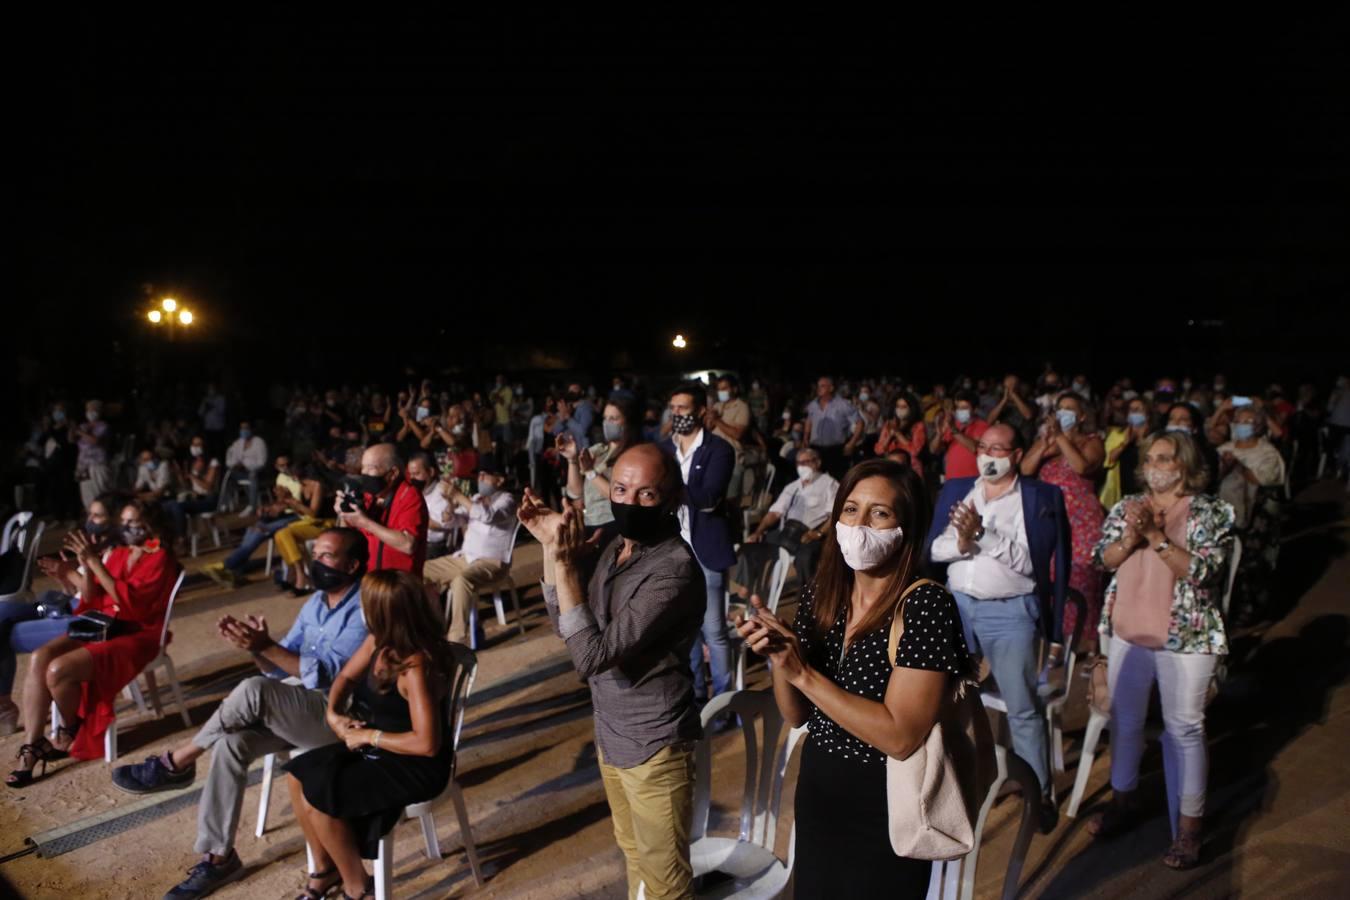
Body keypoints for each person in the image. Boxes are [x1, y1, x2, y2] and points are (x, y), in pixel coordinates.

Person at [736, 459, 971, 896]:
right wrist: (777, 654)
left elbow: (901, 735)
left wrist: (802, 672)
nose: (859, 524)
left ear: (906, 527)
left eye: (879, 513)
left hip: (887, 802)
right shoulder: (821, 595)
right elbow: (796, 715)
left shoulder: (924, 606)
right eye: (850, 510)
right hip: (820, 788)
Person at [113, 528, 370, 900]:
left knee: (252, 690)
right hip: (301, 710)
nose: (317, 562)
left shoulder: (364, 607)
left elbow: (326, 673)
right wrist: (256, 647)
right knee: (231, 743)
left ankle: (177, 760)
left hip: (339, 717)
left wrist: (267, 647)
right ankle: (218, 858)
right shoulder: (315, 602)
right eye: (315, 554)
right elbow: (281, 668)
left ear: (353, 564)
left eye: (327, 556)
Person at [519, 444, 705, 900]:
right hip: (612, 732)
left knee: (666, 880)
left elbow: (590, 657)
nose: (628, 501)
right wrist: (550, 548)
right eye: (621, 488)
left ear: (673, 497)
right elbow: (566, 622)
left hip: (654, 744)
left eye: (646, 494)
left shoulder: (673, 571)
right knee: (632, 852)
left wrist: (565, 565)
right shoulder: (613, 547)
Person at [1090, 431, 1235, 869]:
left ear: (1186, 465)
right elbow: (1103, 558)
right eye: (1150, 458)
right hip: (1128, 631)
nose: (1155, 465)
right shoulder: (1127, 506)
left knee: (1184, 728)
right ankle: (1124, 801)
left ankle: (1189, 829)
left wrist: (1155, 535)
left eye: (1166, 458)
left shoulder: (1209, 510)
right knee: (1126, 721)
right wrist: (1130, 539)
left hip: (1186, 635)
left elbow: (1205, 571)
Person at [284, 570, 458, 900]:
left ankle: (357, 888)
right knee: (297, 776)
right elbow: (344, 679)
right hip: (379, 749)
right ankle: (325, 870)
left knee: (322, 796)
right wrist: (334, 715)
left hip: (414, 765)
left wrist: (369, 737)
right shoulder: (378, 642)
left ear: (382, 611)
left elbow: (427, 743)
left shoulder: (415, 665)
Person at [926, 424, 1070, 813]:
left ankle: (1038, 795)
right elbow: (934, 550)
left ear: (1018, 454)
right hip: (958, 609)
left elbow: (1031, 564)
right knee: (947, 701)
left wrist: (983, 535)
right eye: (984, 447)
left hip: (1010, 615)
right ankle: (957, 786)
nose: (989, 455)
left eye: (999, 448)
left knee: (1022, 706)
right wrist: (960, 542)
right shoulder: (958, 490)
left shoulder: (1038, 498)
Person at [6, 499, 181, 783]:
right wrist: (70, 574)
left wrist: (95, 563)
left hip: (137, 634)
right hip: (105, 625)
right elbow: (92, 599)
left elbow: (131, 607)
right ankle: (33, 743)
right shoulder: (121, 552)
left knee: (58, 670)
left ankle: (70, 728)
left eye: (133, 522)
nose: (126, 528)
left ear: (150, 525)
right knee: (40, 657)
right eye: (123, 522)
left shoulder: (159, 557)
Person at [0, 494, 122, 734]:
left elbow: (94, 600)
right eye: (90, 515)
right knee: (2, 615)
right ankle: (4, 706)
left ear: (114, 520)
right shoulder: (95, 546)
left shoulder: (112, 552)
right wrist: (65, 578)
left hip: (86, 621)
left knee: (2, 632)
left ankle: (4, 707)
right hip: (67, 608)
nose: (91, 521)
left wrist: (72, 570)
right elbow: (78, 594)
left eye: (98, 516)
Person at [661, 383, 737, 705]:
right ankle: (694, 698)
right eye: (673, 407)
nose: (676, 414)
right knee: (684, 632)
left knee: (714, 632)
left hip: (705, 551)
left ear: (701, 411)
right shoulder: (664, 450)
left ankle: (724, 703)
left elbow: (708, 499)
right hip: (672, 552)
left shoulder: (718, 450)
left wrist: (672, 483)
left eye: (683, 408)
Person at [1019, 391, 1106, 644]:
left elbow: (1082, 466)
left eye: (1069, 408)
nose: (1063, 413)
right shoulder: (1048, 441)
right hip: (1050, 520)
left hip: (1081, 522)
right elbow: (1025, 469)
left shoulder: (1092, 441)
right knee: (1052, 581)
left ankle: (1088, 645)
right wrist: (1046, 443)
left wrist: (1061, 437)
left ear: (1080, 416)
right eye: (1060, 408)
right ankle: (1057, 641)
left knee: (1082, 582)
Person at [422, 460, 517, 644]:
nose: (480, 479)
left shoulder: (507, 500)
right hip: (465, 558)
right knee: (421, 570)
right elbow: (451, 522)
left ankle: (456, 639)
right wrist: (450, 505)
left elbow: (487, 516)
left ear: (499, 480)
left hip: (492, 562)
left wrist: (458, 495)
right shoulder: (474, 499)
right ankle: (435, 628)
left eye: (485, 475)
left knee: (462, 580)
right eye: (479, 475)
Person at [736, 447, 837, 600]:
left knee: (806, 556)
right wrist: (758, 531)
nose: (801, 466)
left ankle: (808, 599)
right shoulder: (792, 486)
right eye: (798, 463)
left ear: (817, 463)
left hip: (811, 534)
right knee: (751, 545)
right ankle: (746, 588)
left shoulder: (829, 484)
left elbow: (834, 516)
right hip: (787, 531)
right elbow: (775, 512)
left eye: (806, 462)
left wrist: (818, 533)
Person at [1216, 406, 1286, 624]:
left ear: (1258, 426)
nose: (1242, 425)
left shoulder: (1267, 453)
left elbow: (1264, 480)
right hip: (1223, 519)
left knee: (1250, 569)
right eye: (1239, 421)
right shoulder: (1223, 449)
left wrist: (1238, 467)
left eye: (1248, 421)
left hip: (1254, 521)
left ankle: (1249, 612)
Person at [201, 456, 310, 589]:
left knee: (261, 530)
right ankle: (235, 570)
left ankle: (227, 566)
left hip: (297, 515)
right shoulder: (281, 478)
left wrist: (284, 503)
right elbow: (281, 501)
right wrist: (269, 507)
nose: (285, 468)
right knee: (253, 528)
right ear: (276, 466)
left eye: (287, 464)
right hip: (285, 513)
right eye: (282, 465)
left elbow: (300, 505)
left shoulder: (300, 479)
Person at [334, 443, 429, 577]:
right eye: (363, 467)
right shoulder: (369, 496)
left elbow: (408, 545)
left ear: (393, 473)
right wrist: (344, 514)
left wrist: (366, 523)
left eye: (371, 468)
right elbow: (348, 536)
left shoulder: (410, 496)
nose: (364, 473)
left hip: (398, 585)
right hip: (369, 580)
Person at [562, 396, 639, 549]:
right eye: (605, 418)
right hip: (590, 522)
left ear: (628, 422)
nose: (607, 423)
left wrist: (591, 472)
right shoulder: (598, 451)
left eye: (614, 418)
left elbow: (618, 495)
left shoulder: (633, 455)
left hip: (614, 525)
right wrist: (572, 460)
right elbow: (575, 492)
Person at [803, 376, 863, 479]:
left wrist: (852, 443)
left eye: (822, 386)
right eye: (818, 386)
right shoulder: (813, 405)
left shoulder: (843, 404)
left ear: (831, 388)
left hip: (835, 450)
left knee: (836, 480)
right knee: (815, 479)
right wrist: (805, 437)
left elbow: (860, 423)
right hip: (816, 449)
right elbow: (809, 421)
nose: (819, 388)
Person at [1101, 396, 1152, 509]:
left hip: (1146, 490)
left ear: (1147, 414)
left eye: (1138, 409)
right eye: (1131, 409)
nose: (1134, 412)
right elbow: (1109, 460)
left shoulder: (1154, 437)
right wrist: (1125, 443)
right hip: (1121, 490)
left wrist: (1142, 439)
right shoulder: (1117, 434)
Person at [929, 390, 990, 480]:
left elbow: (975, 448)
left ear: (975, 409)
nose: (960, 411)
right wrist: (939, 435)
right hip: (951, 478)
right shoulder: (953, 425)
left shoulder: (982, 425)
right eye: (958, 408)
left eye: (964, 408)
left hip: (973, 478)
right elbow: (933, 450)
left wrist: (954, 429)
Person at [406, 452, 452, 558]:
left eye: (417, 474)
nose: (412, 478)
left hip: (433, 546)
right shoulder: (414, 490)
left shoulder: (442, 491)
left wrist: (409, 516)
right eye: (410, 474)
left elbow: (440, 524)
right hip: (414, 541)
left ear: (431, 472)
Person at [874, 391, 928, 479]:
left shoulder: (918, 426)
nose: (900, 409)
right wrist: (890, 435)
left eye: (904, 407)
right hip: (891, 468)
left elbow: (915, 451)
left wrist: (898, 433)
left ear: (911, 408)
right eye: (898, 406)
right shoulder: (888, 424)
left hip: (912, 470)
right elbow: (879, 450)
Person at [74, 399, 112, 509]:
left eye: (93, 410)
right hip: (83, 466)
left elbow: (96, 441)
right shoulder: (83, 426)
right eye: (88, 410)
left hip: (98, 465)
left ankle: (104, 518)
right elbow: (72, 439)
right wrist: (72, 429)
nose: (90, 413)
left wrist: (81, 432)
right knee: (86, 496)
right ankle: (91, 519)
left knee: (101, 494)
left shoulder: (103, 426)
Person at [224, 420, 269, 514]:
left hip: (256, 472)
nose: (244, 430)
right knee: (228, 474)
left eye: (246, 428)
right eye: (242, 428)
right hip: (241, 471)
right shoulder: (238, 443)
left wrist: (247, 466)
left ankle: (252, 506)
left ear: (251, 429)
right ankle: (226, 503)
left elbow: (262, 462)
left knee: (252, 475)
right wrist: (235, 465)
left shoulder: (259, 442)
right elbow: (231, 460)